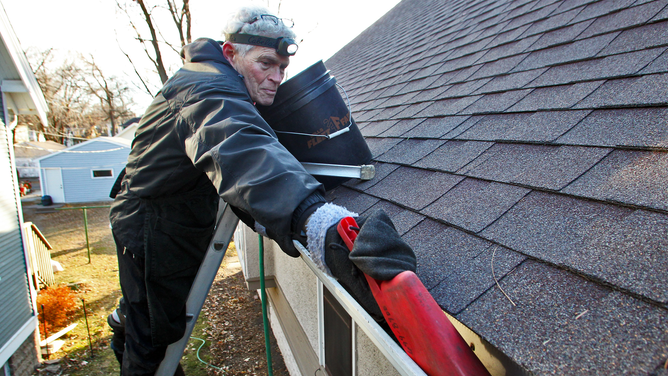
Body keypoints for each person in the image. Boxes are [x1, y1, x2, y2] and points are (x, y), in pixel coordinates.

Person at [108, 5, 415, 375]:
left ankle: (128, 322)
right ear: (230, 53)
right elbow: (241, 149)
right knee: (154, 343)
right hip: (152, 230)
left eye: (281, 69)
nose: (276, 77)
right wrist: (318, 222)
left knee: (150, 321)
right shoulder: (204, 89)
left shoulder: (221, 83)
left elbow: (241, 172)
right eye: (265, 63)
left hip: (174, 219)